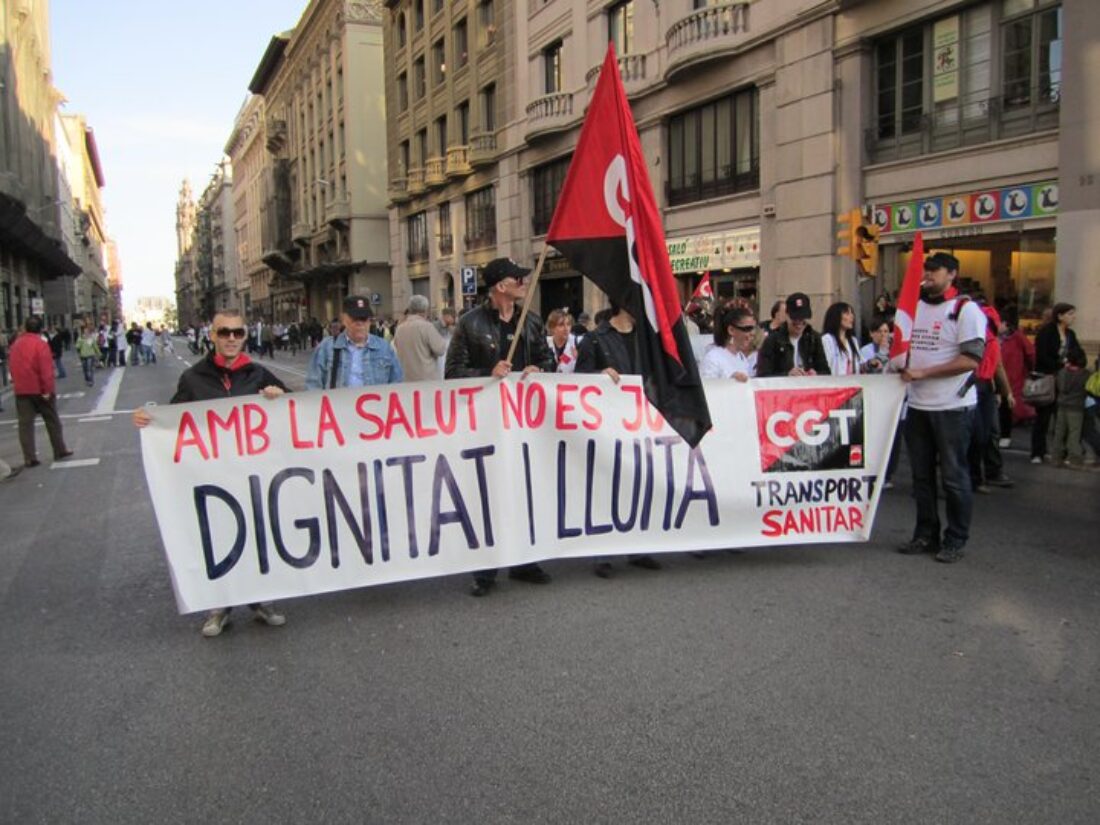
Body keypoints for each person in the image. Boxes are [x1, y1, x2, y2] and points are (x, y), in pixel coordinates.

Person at [132, 308, 289, 637]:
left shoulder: (259, 374)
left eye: (237, 333)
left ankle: (261, 600)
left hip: (251, 474)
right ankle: (219, 607)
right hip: (212, 476)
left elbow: (294, 414)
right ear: (212, 336)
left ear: (245, 336)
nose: (231, 339)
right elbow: (173, 419)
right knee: (217, 538)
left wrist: (280, 396)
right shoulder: (194, 379)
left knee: (258, 535)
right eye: (224, 333)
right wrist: (149, 418)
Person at [444, 257, 556, 596]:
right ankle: (486, 569)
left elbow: (549, 362)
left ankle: (524, 560)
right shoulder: (470, 324)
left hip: (524, 423)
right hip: (487, 424)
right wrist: (487, 374)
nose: (523, 283)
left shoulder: (532, 322)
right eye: (516, 278)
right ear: (499, 287)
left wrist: (539, 368)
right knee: (488, 492)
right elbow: (452, 374)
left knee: (524, 489)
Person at [897, 252, 986, 564]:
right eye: (927, 270)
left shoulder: (966, 310)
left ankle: (955, 538)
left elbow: (970, 359)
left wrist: (923, 373)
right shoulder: (915, 308)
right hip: (918, 404)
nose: (928, 275)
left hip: (952, 406)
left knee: (953, 475)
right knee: (921, 477)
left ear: (952, 274)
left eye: (935, 271)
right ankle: (925, 533)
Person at [575, 303, 662, 577]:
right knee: (606, 484)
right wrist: (597, 377)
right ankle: (602, 552)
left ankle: (638, 547)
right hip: (608, 423)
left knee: (639, 482)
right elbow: (577, 381)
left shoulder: (648, 337)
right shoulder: (595, 339)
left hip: (642, 420)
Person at [8, 317, 74, 468]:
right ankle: (59, 449)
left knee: (25, 425)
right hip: (39, 388)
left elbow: (12, 366)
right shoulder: (40, 344)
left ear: (25, 327)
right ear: (40, 329)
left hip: (22, 389)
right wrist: (47, 390)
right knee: (52, 420)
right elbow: (46, 370)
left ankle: (29, 457)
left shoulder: (16, 345)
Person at [306, 296, 403, 390]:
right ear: (344, 319)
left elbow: (397, 384)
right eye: (355, 318)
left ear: (369, 321)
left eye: (364, 318)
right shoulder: (327, 348)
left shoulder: (384, 348)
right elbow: (313, 386)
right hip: (338, 406)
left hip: (375, 406)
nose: (360, 323)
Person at [1031, 303, 1079, 463]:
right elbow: (1042, 355)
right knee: (1043, 417)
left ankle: (1061, 451)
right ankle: (1038, 452)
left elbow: (1078, 353)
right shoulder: (1046, 332)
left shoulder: (1070, 334)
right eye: (1070, 314)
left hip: (1064, 380)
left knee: (1062, 417)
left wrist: (1073, 362)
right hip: (1047, 378)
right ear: (1060, 316)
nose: (1073, 317)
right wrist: (1059, 365)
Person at [755, 293, 830, 377]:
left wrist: (816, 374)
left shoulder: (814, 338)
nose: (799, 322)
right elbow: (763, 375)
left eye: (802, 318)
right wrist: (787, 375)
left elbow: (826, 371)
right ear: (787, 315)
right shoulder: (772, 340)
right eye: (795, 318)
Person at [997, 309, 1034, 447]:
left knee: (1007, 405)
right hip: (996, 375)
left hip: (1012, 375)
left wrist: (1030, 369)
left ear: (1005, 324)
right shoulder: (991, 337)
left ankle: (1005, 434)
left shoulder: (1017, 337)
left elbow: (1030, 353)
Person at [1051, 347, 1091, 469]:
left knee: (1059, 432)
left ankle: (1056, 457)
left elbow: (1059, 386)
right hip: (1077, 407)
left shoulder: (1062, 372)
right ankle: (1074, 459)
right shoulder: (1085, 374)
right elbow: (1087, 389)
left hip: (1062, 405)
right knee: (1074, 433)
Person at [393, 295, 447, 382]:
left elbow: (396, 346)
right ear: (425, 310)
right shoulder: (427, 327)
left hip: (406, 378)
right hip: (426, 379)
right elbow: (440, 349)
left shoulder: (400, 328)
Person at [700, 304, 757, 381]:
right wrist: (730, 380)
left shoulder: (741, 357)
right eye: (747, 328)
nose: (752, 333)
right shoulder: (713, 357)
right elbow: (706, 388)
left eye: (753, 328)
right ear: (731, 330)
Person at [821, 302, 863, 376]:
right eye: (847, 313)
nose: (852, 316)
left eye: (852, 313)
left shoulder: (853, 340)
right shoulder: (827, 339)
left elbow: (858, 365)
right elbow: (825, 367)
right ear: (836, 316)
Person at [545, 308, 579, 374]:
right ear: (552, 327)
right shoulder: (544, 343)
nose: (566, 328)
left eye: (568, 324)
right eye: (561, 325)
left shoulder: (578, 343)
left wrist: (579, 358)